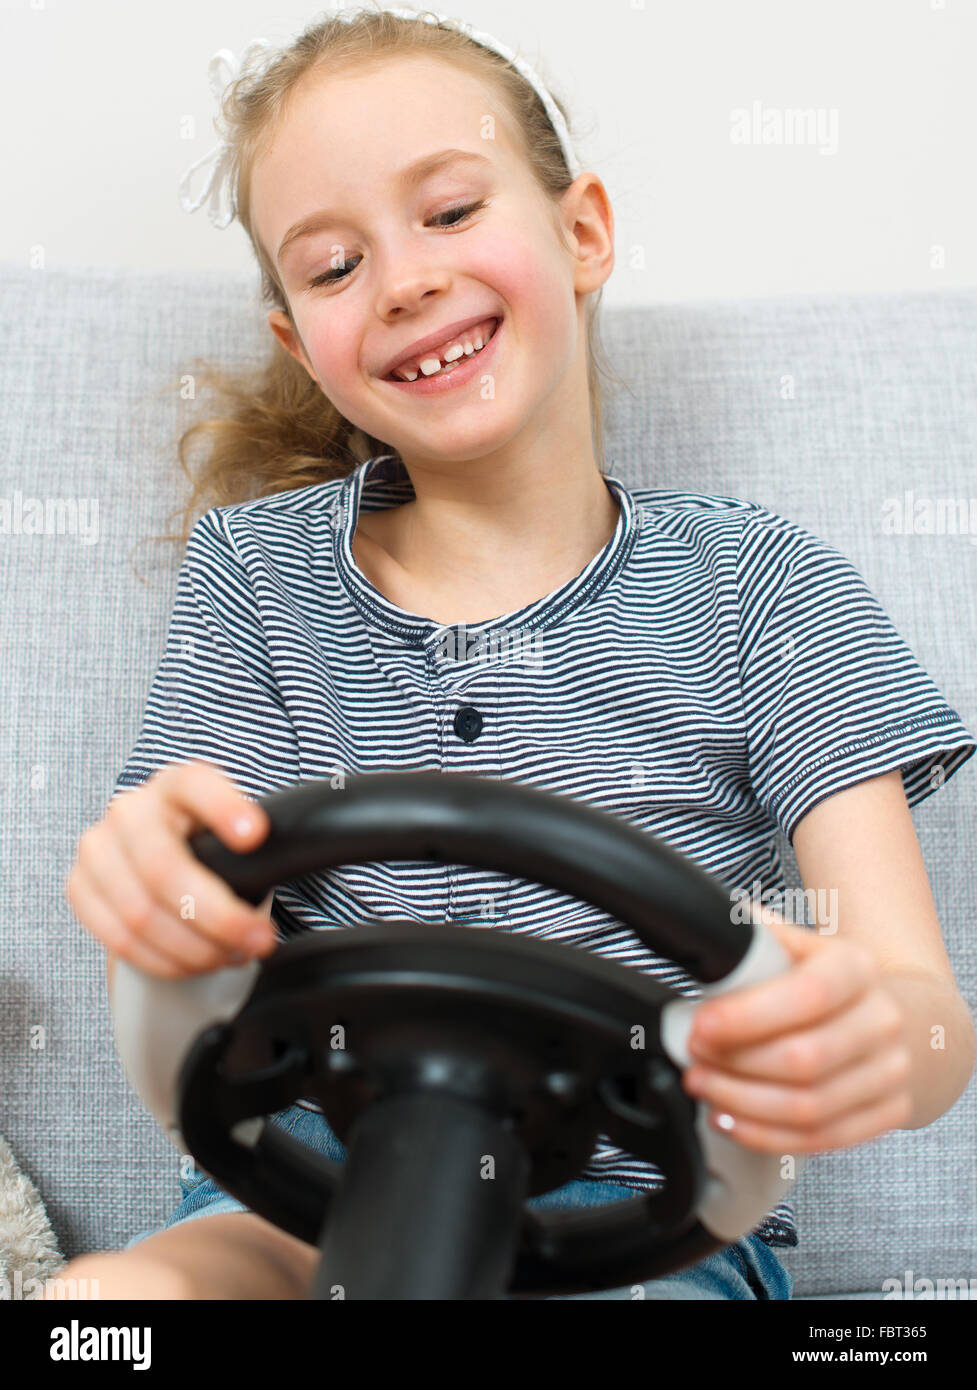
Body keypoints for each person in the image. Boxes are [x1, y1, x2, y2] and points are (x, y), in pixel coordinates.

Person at [55, 4, 976, 1301]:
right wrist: (154, 894)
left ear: (581, 231)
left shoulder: (766, 586)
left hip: (636, 1220)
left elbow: (922, 1012)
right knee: (109, 1311)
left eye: (447, 211)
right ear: (300, 347)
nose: (404, 280)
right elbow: (190, 947)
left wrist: (872, 1033)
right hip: (299, 1194)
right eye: (330, 266)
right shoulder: (252, 576)